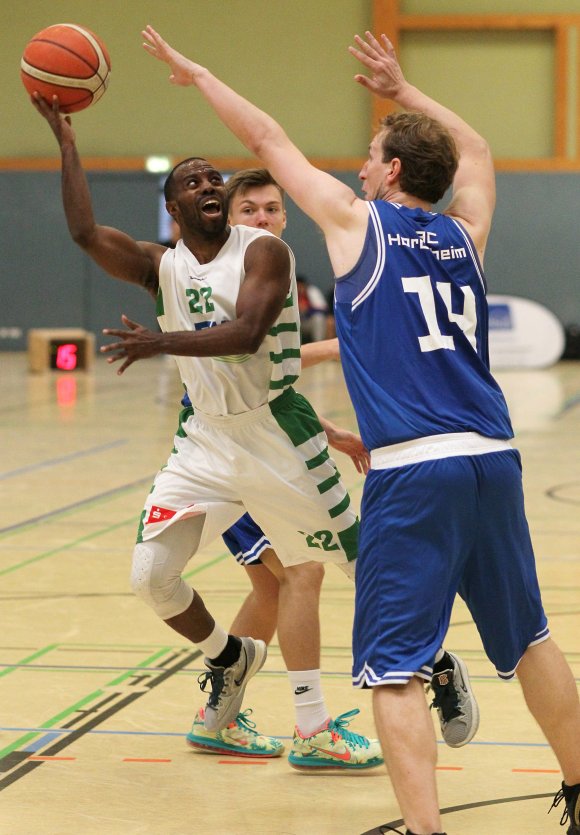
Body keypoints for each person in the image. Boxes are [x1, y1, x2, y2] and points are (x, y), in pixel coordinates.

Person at [141, 26, 580, 835]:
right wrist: (407, 90)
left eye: (372, 155)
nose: (359, 167)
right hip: (495, 457)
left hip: (415, 472)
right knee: (532, 641)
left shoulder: (358, 225)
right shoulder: (466, 234)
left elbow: (265, 138)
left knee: (391, 671)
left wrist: (200, 72)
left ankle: (425, 831)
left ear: (396, 173)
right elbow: (477, 149)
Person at [30, 93, 378, 766]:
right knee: (151, 575)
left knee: (354, 566)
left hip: (274, 434)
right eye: (192, 181)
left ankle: (398, 685)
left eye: (213, 177)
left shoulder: (263, 250)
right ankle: (230, 656)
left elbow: (249, 336)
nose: (208, 184)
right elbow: (83, 233)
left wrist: (161, 345)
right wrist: (68, 146)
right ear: (174, 207)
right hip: (205, 442)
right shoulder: (161, 265)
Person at [184, 167, 380, 767]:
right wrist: (358, 341)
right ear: (227, 217)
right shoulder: (220, 274)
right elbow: (265, 373)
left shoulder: (269, 267)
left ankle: (218, 716)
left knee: (274, 585)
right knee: (304, 572)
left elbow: (273, 384)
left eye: (272, 209)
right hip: (231, 457)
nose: (263, 219)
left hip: (257, 443)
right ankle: (312, 726)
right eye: (250, 210)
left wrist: (327, 430)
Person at [296, 273, 329, 343]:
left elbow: (323, 310)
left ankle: (318, 345)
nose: (299, 289)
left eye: (300, 286)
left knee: (319, 318)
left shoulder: (312, 291)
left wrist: (307, 309)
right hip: (295, 323)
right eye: (297, 286)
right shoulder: (290, 293)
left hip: (307, 322)